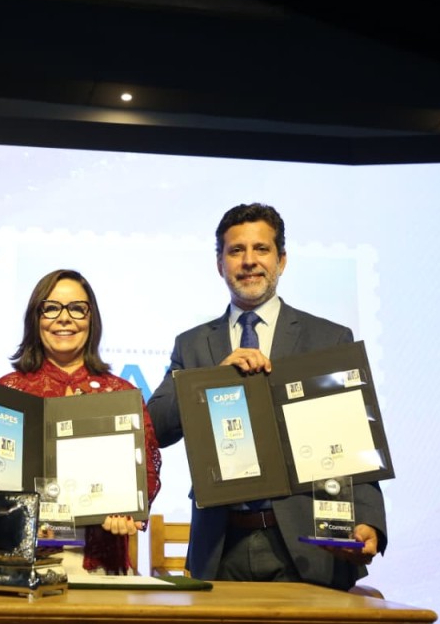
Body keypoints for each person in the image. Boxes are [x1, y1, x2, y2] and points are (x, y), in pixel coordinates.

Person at [146, 202, 386, 590]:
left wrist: (370, 520)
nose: (249, 261)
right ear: (220, 264)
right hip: (221, 545)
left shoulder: (327, 338)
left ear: (282, 260)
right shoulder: (192, 345)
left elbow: (355, 443)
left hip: (310, 544)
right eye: (236, 250)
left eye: (261, 249)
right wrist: (213, 380)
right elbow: (156, 426)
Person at [0, 269, 162, 574]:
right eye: (51, 308)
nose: (64, 318)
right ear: (35, 318)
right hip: (24, 567)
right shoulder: (7, 392)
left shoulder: (121, 393)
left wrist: (127, 511)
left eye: (76, 308)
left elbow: (145, 475)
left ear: (91, 318)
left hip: (102, 565)